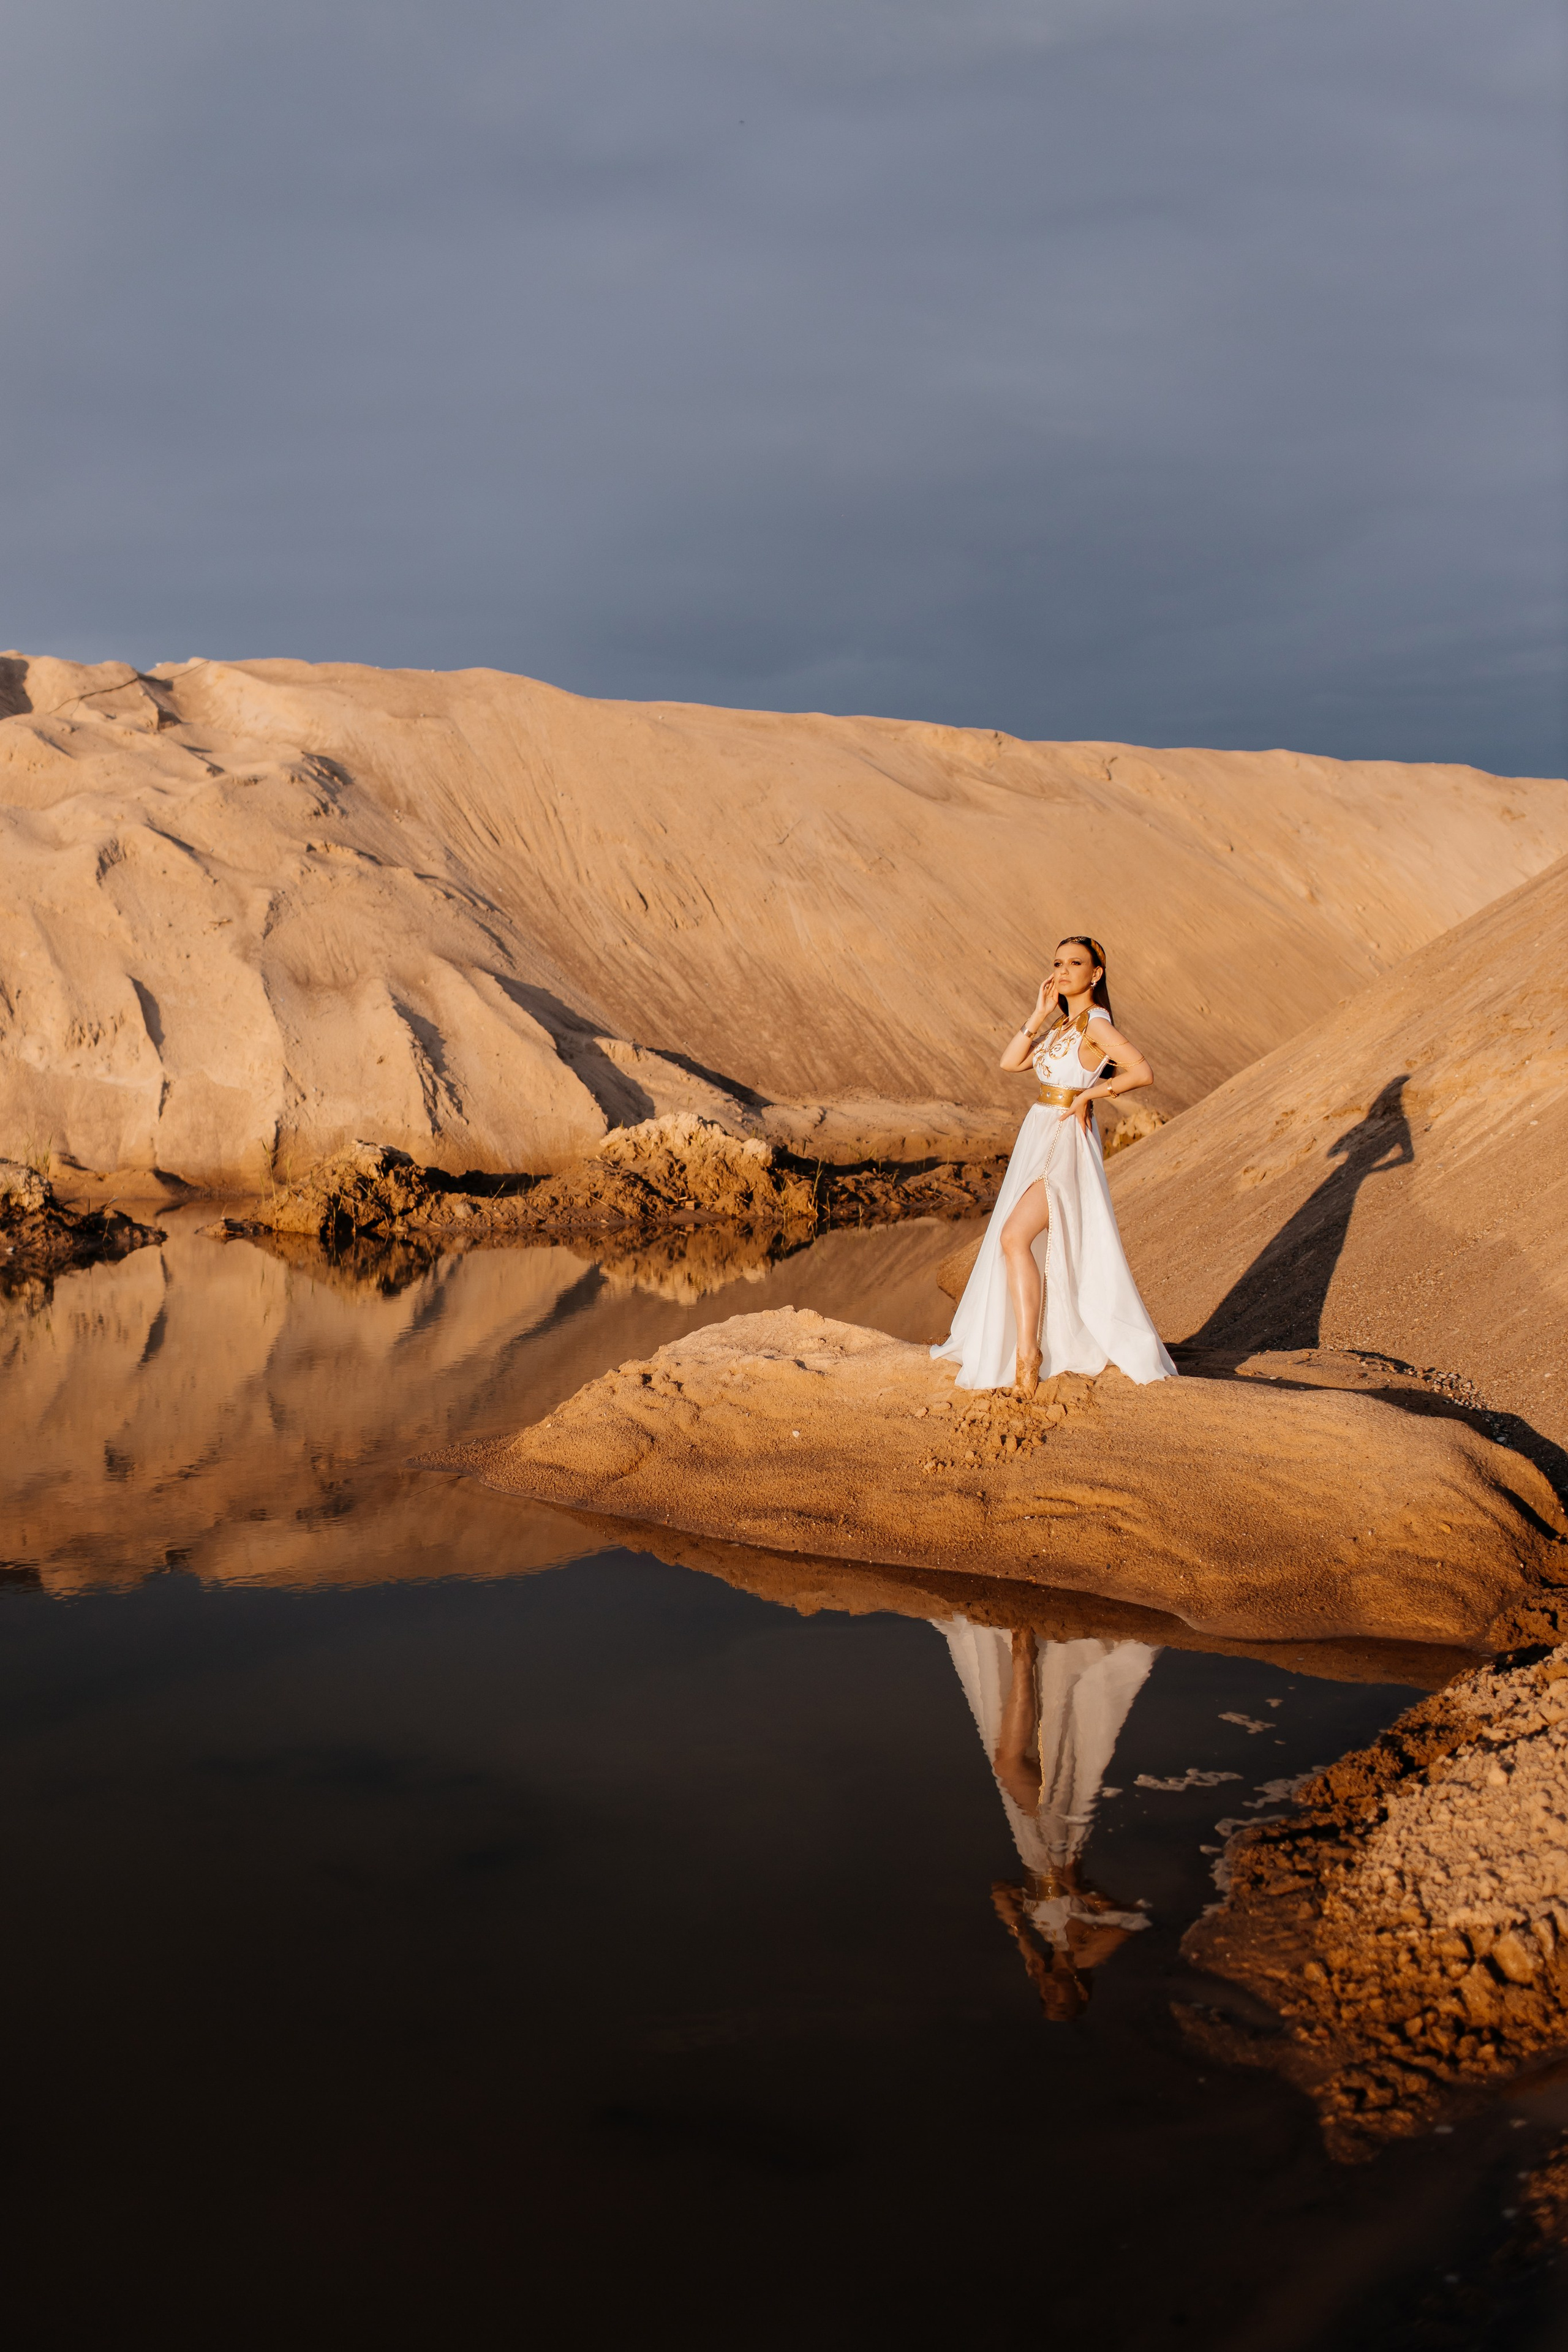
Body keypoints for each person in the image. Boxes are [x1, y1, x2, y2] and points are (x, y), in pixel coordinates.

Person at [932, 935, 1177, 1395]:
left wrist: (1089, 1095)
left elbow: (1142, 1072)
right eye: (1058, 963)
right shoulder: (1063, 1025)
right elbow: (1010, 1063)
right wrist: (1039, 1013)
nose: (1063, 971)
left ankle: (1028, 1355)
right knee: (1025, 1241)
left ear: (1096, 974)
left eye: (1075, 964)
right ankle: (1038, 1345)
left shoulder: (1096, 1024)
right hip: (1040, 1132)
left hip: (1064, 1140)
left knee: (1013, 1237)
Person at [938, 1618, 1156, 2021]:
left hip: (1029, 1849)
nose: (1049, 1994)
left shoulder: (1043, 1936)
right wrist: (1083, 1894)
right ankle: (1024, 1657)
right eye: (1061, 2003)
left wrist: (1024, 1944)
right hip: (1060, 1850)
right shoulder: (1083, 1955)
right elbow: (1128, 1923)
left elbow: (1000, 1891)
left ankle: (1025, 1660)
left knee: (1015, 1759)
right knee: (1010, 1765)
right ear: (1080, 1995)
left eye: (1045, 2000)